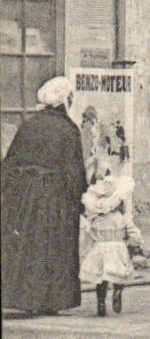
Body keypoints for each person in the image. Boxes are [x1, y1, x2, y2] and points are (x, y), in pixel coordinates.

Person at [2, 76, 88, 316]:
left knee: (29, 246)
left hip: (25, 198)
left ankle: (27, 299)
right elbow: (74, 170)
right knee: (54, 248)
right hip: (56, 198)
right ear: (65, 100)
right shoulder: (68, 129)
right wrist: (80, 196)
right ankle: (51, 300)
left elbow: (9, 164)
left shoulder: (28, 126)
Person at [78, 170, 140, 317]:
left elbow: (89, 233)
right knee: (119, 274)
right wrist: (135, 242)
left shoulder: (96, 219)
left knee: (101, 279)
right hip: (118, 248)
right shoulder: (122, 218)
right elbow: (133, 232)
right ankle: (118, 291)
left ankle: (101, 301)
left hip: (100, 249)